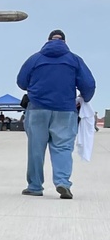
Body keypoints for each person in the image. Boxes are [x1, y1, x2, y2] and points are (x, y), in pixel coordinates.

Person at [16, 29, 96, 199]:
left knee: (36, 149)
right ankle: (62, 183)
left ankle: (35, 186)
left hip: (37, 109)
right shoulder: (74, 60)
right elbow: (88, 84)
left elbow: (21, 82)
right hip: (65, 110)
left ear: (48, 41)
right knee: (63, 148)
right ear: (65, 42)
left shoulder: (35, 58)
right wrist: (84, 99)